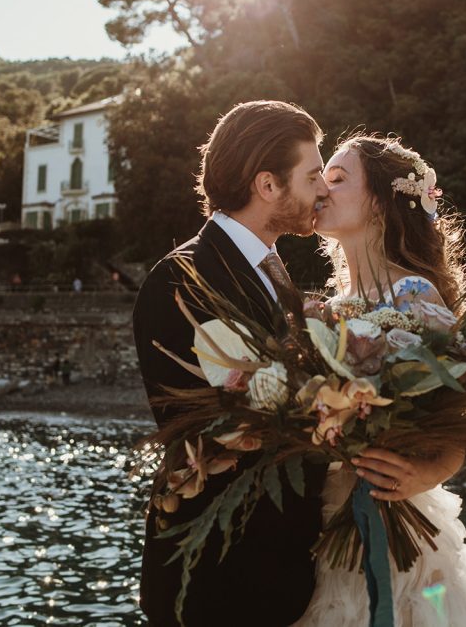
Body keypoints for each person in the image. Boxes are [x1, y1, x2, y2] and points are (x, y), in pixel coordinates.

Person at [294, 134, 466, 626]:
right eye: (321, 178)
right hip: (325, 519)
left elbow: (456, 421)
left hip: (397, 523)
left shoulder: (413, 294)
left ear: (379, 201)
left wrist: (427, 474)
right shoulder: (327, 308)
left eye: (338, 178)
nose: (321, 191)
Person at [132, 100, 331, 625]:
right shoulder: (184, 279)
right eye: (312, 176)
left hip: (276, 572)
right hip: (220, 582)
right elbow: (242, 419)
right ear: (268, 186)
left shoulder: (270, 266)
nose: (324, 189)